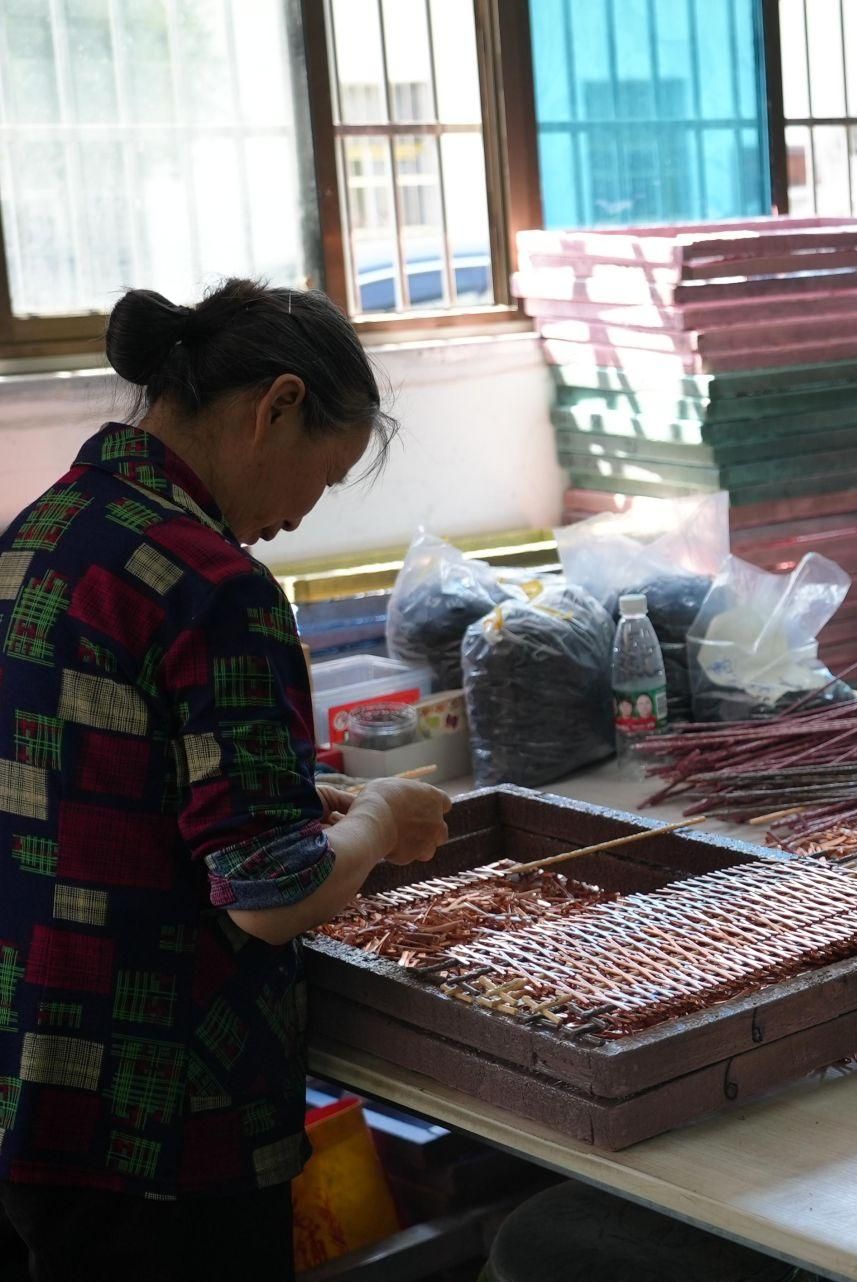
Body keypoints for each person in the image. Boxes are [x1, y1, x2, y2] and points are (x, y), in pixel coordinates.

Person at [0, 280, 452, 1282]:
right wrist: (376, 818)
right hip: (159, 1122)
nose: (294, 518)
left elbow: (86, 781)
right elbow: (272, 897)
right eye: (320, 480)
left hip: (29, 1086)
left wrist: (285, 801)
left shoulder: (40, 534)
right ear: (276, 405)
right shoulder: (217, 588)